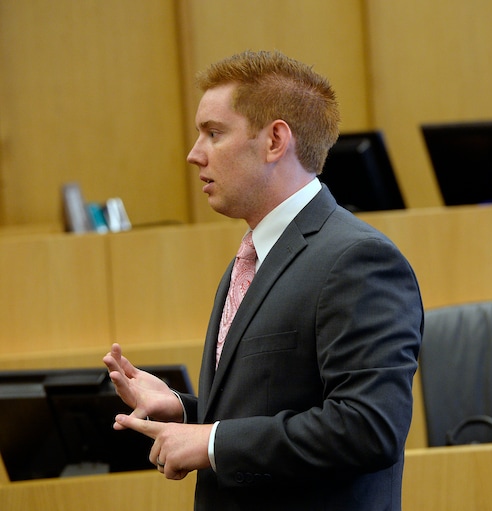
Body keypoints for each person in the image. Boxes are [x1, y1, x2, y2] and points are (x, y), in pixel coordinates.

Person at [103, 50, 423, 511]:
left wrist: (211, 442)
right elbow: (275, 407)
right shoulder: (254, 255)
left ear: (275, 141)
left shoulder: (357, 260)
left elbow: (368, 427)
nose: (194, 155)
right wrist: (184, 409)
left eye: (214, 133)